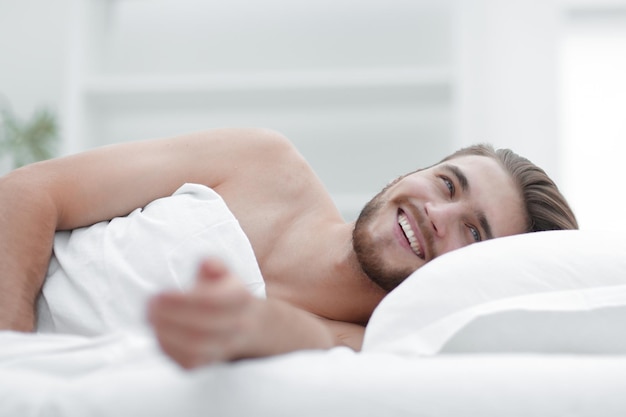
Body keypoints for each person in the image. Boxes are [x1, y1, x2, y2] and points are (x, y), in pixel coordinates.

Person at [0, 128, 578, 368]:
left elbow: (298, 338)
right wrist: (12, 363)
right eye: (448, 183)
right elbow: (29, 194)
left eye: (473, 232)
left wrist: (258, 328)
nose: (437, 213)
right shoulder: (263, 163)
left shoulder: (378, 351)